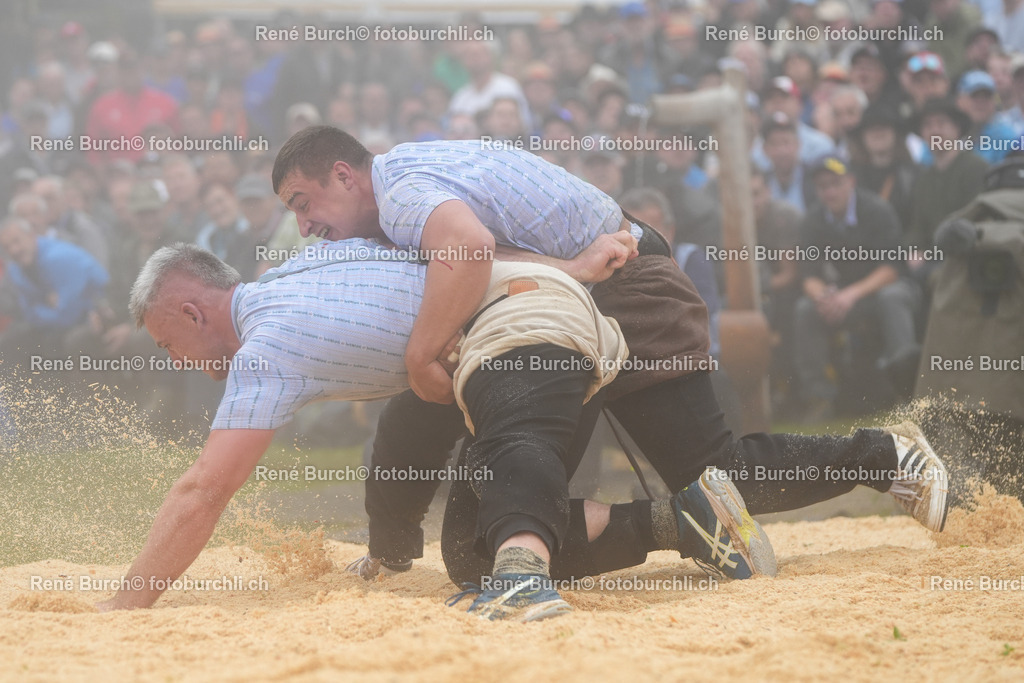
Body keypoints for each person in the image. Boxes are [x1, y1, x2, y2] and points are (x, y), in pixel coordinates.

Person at [269, 127, 949, 586]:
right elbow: (473, 257)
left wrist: (426, 350)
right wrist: (563, 266)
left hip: (623, 287)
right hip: (571, 292)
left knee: (718, 471)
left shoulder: (400, 191)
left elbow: (470, 250)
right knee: (479, 530)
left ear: (342, 174)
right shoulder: (403, 188)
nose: (304, 224)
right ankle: (672, 522)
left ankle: (887, 456)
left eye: (305, 202)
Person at [97, 240, 778, 620]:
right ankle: (686, 518)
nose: (176, 361)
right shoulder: (299, 271)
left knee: (483, 549)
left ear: (190, 309)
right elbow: (403, 435)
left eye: (167, 345)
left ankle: (663, 528)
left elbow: (203, 489)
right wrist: (387, 552)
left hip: (521, 329)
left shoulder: (266, 348)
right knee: (423, 458)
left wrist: (128, 602)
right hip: (534, 311)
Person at [794, 155, 920, 418]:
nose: (829, 191)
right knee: (806, 309)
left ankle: (907, 395)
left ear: (851, 181)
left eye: (835, 183)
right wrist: (824, 296)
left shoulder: (877, 210)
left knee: (892, 297)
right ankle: (820, 398)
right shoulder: (812, 220)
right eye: (822, 186)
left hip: (880, 291)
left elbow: (893, 268)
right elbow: (807, 274)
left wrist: (849, 295)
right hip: (841, 297)